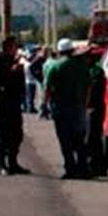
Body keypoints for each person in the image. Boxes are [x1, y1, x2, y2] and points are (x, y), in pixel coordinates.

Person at [44, 38, 90, 179]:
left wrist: (44, 104)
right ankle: (83, 169)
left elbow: (48, 88)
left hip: (61, 107)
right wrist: (85, 102)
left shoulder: (55, 67)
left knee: (65, 140)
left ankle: (70, 169)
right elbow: (89, 85)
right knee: (79, 139)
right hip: (78, 107)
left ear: (59, 51)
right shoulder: (82, 66)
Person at [0, 37, 29, 176]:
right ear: (7, 47)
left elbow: (20, 81)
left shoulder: (15, 60)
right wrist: (12, 71)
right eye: (14, 46)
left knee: (17, 134)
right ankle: (0, 164)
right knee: (2, 135)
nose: (16, 49)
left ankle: (13, 162)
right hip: (3, 104)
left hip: (15, 103)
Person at [84, 47, 108, 178]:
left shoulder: (95, 71)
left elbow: (91, 90)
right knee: (95, 138)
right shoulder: (94, 70)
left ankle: (94, 166)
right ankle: (98, 167)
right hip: (94, 106)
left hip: (94, 107)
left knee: (92, 137)